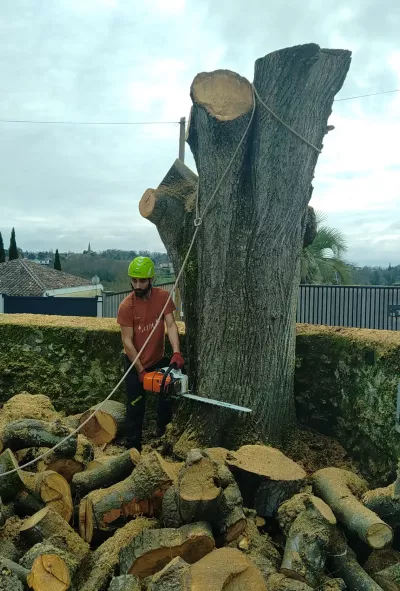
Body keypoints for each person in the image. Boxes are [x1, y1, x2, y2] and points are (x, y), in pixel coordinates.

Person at [117, 256, 184, 451]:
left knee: (166, 400)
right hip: (134, 364)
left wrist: (177, 353)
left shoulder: (163, 298)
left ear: (151, 279)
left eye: (142, 281)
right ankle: (133, 449)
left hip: (158, 360)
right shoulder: (126, 307)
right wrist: (140, 371)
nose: (137, 285)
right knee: (135, 406)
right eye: (134, 280)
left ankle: (163, 435)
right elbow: (127, 342)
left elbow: (171, 324)